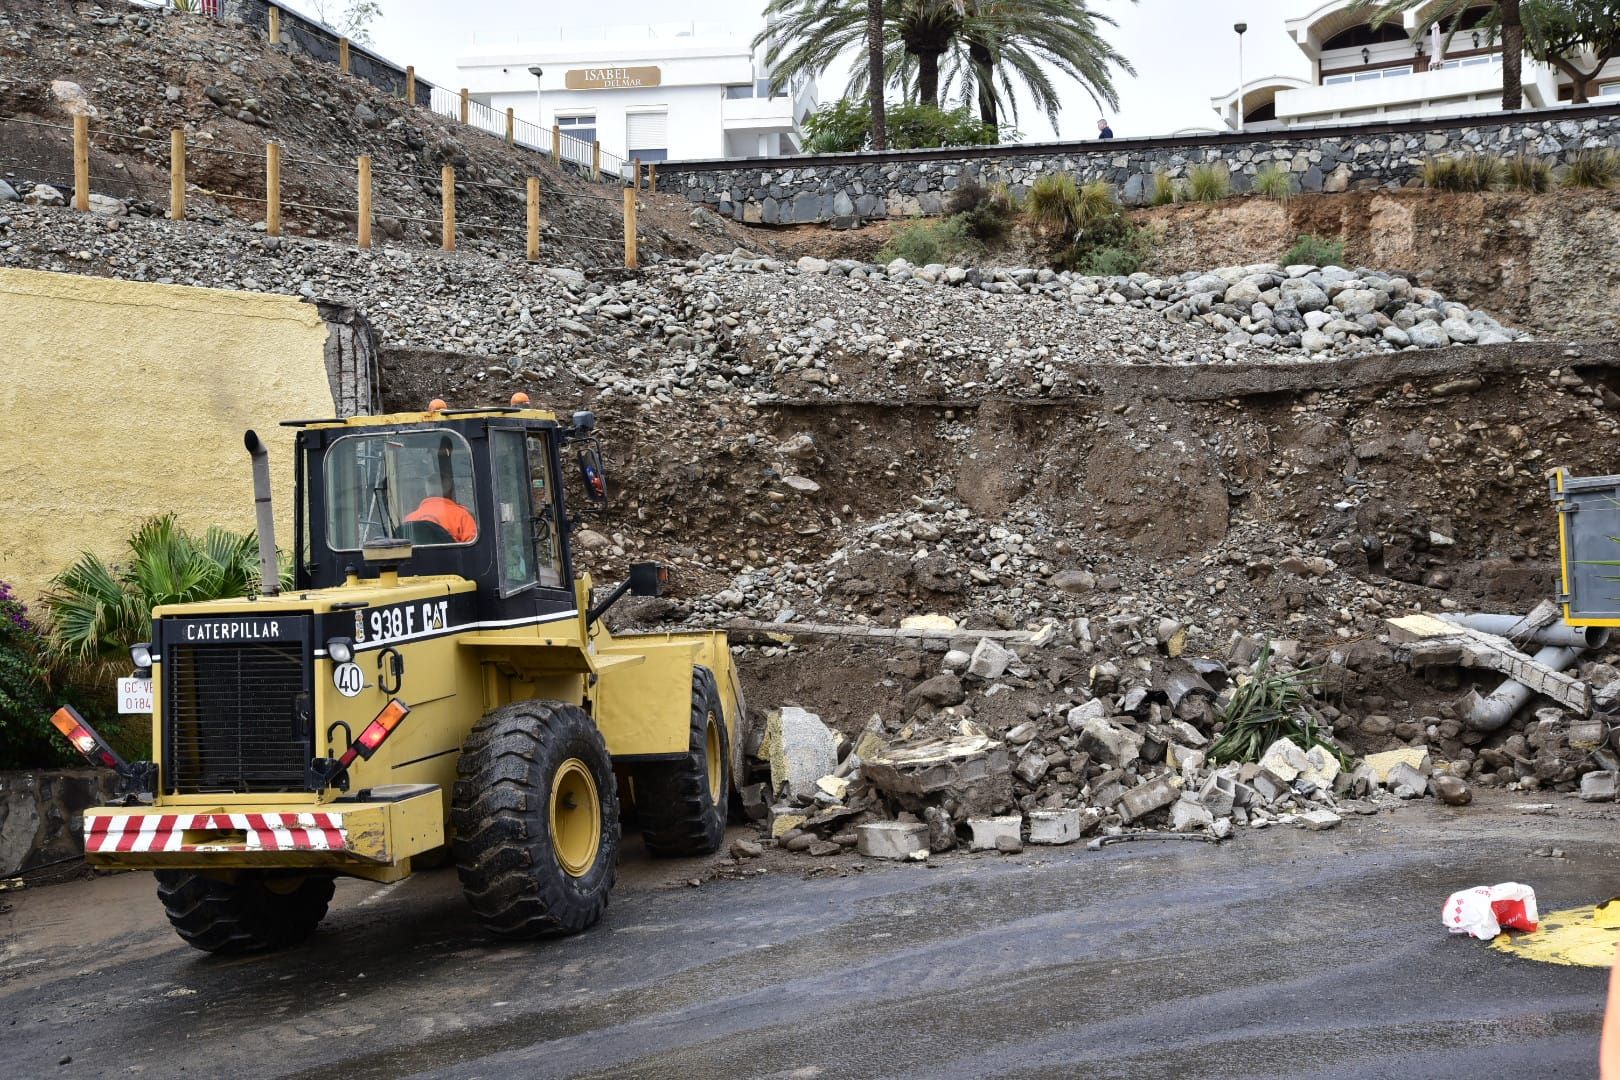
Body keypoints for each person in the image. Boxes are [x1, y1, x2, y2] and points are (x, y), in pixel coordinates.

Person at [404, 472, 476, 542]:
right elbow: (474, 549)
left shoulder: (409, 520)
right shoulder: (462, 516)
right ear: (452, 492)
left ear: (426, 492)